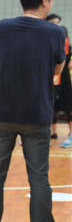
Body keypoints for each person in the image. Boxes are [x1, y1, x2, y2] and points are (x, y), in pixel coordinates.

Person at [0, 0, 65, 222]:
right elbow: (58, 69)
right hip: (37, 114)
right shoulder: (55, 31)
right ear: (44, 1)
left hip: (2, 113)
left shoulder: (3, 27)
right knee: (39, 178)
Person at [46, 14, 72, 148]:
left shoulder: (63, 38)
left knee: (68, 105)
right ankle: (51, 133)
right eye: (53, 22)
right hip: (50, 78)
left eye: (58, 22)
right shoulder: (44, 39)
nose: (56, 24)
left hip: (64, 78)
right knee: (50, 106)